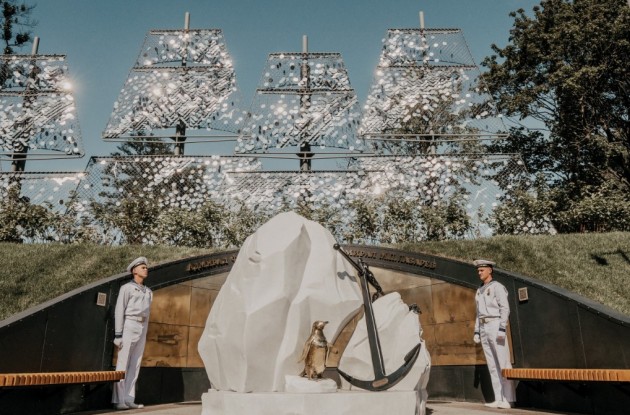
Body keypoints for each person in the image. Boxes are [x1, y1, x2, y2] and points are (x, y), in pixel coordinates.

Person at [472, 259, 515, 409]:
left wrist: (502, 327)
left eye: (482, 270)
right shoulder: (479, 290)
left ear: (490, 270)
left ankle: (508, 398)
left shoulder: (497, 287)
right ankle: (498, 397)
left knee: (503, 362)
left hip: (495, 324)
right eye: (478, 270)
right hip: (484, 326)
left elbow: (505, 308)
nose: (479, 273)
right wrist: (477, 330)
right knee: (492, 365)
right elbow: (478, 313)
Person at [112, 256, 153, 410]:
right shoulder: (127, 288)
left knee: (135, 363)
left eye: (146, 267)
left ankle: (129, 398)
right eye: (143, 267)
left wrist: (144, 331)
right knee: (122, 363)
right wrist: (118, 334)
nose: (146, 269)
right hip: (129, 324)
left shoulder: (148, 291)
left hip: (142, 326)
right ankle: (119, 400)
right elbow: (119, 310)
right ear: (134, 270)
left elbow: (147, 313)